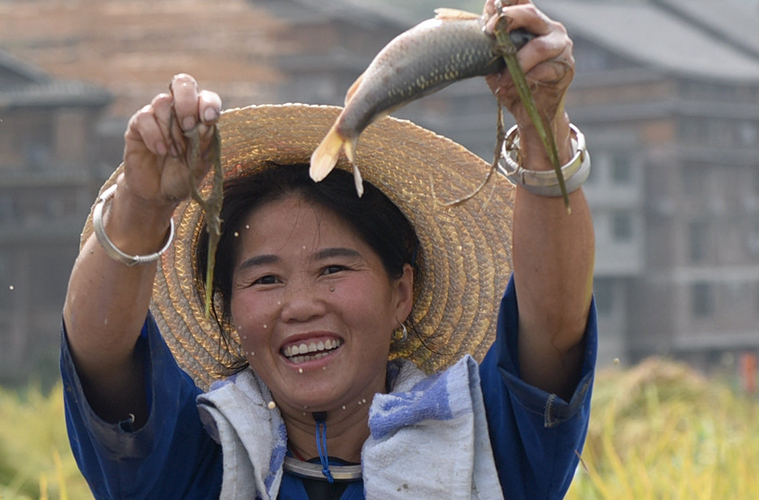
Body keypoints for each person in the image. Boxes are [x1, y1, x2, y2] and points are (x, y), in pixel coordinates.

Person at [60, 0, 597, 498]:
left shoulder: (487, 443)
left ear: (401, 293)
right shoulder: (197, 460)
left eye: (333, 268)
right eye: (265, 279)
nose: (300, 305)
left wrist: (541, 123)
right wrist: (142, 206)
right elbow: (100, 356)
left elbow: (554, 323)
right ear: (227, 309)